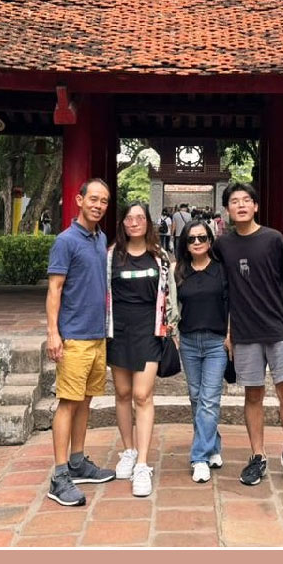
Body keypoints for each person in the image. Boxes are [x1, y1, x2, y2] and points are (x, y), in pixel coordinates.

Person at [213, 182, 283, 490]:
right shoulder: (223, 245)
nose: (240, 205)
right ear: (227, 210)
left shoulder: (273, 239)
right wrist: (228, 331)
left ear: (256, 206)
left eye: (246, 200)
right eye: (234, 201)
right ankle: (257, 455)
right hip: (245, 330)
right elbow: (222, 291)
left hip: (279, 326)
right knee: (252, 395)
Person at [45, 178, 118, 507]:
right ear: (79, 200)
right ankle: (59, 475)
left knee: (86, 400)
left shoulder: (100, 237)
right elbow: (55, 289)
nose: (99, 205)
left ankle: (77, 461)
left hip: (97, 335)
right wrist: (53, 333)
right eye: (93, 199)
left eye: (104, 200)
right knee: (68, 402)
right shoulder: (66, 240)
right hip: (73, 336)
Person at [107, 202, 179, 497]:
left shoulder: (159, 257)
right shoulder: (111, 256)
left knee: (142, 395)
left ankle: (143, 465)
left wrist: (171, 324)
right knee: (122, 394)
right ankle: (128, 450)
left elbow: (170, 293)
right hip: (118, 331)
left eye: (140, 218)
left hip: (149, 330)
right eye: (129, 218)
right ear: (123, 223)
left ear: (148, 223)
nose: (134, 222)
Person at [174, 219, 228, 483]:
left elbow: (233, 304)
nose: (197, 242)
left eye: (202, 238)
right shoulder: (180, 271)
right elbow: (170, 307)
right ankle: (213, 444)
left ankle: (199, 458)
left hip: (216, 343)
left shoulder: (221, 270)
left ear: (210, 240)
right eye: (191, 239)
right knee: (196, 398)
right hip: (188, 341)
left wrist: (231, 335)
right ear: (185, 243)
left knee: (209, 400)